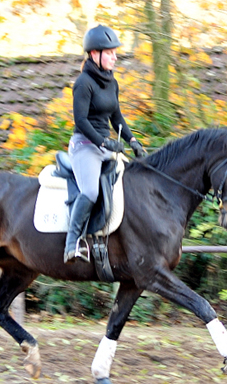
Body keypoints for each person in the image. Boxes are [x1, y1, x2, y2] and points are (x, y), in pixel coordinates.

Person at [64, 24, 145, 264]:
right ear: (94, 54)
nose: (115, 57)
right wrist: (105, 143)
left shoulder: (112, 83)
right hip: (84, 145)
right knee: (90, 190)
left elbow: (116, 117)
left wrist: (132, 141)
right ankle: (71, 243)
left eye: (115, 52)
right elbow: (80, 120)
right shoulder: (83, 83)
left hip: (105, 145)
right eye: (110, 53)